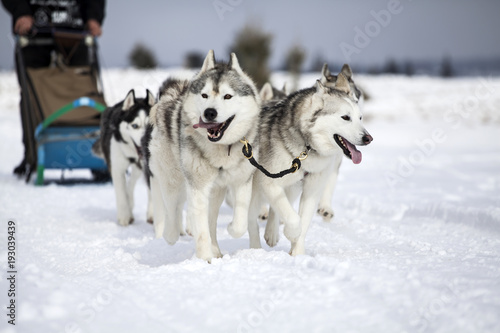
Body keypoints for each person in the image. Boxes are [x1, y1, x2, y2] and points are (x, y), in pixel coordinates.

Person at [1, 0, 106, 177]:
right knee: (32, 93)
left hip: (75, 30)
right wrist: (21, 12)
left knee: (83, 90)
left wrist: (94, 17)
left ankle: (94, 155)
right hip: (33, 30)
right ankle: (33, 156)